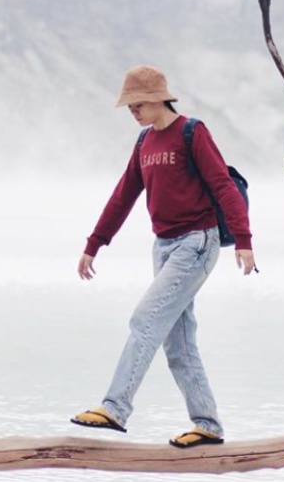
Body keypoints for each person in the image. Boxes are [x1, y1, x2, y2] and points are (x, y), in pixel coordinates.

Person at [71, 64, 256, 448]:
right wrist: (94, 244)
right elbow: (123, 195)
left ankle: (115, 407)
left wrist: (244, 239)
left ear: (158, 98)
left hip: (197, 243)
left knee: (145, 318)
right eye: (129, 106)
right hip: (164, 246)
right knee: (179, 343)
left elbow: (222, 184)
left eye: (138, 103)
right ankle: (208, 425)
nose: (133, 111)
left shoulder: (192, 132)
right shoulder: (144, 143)